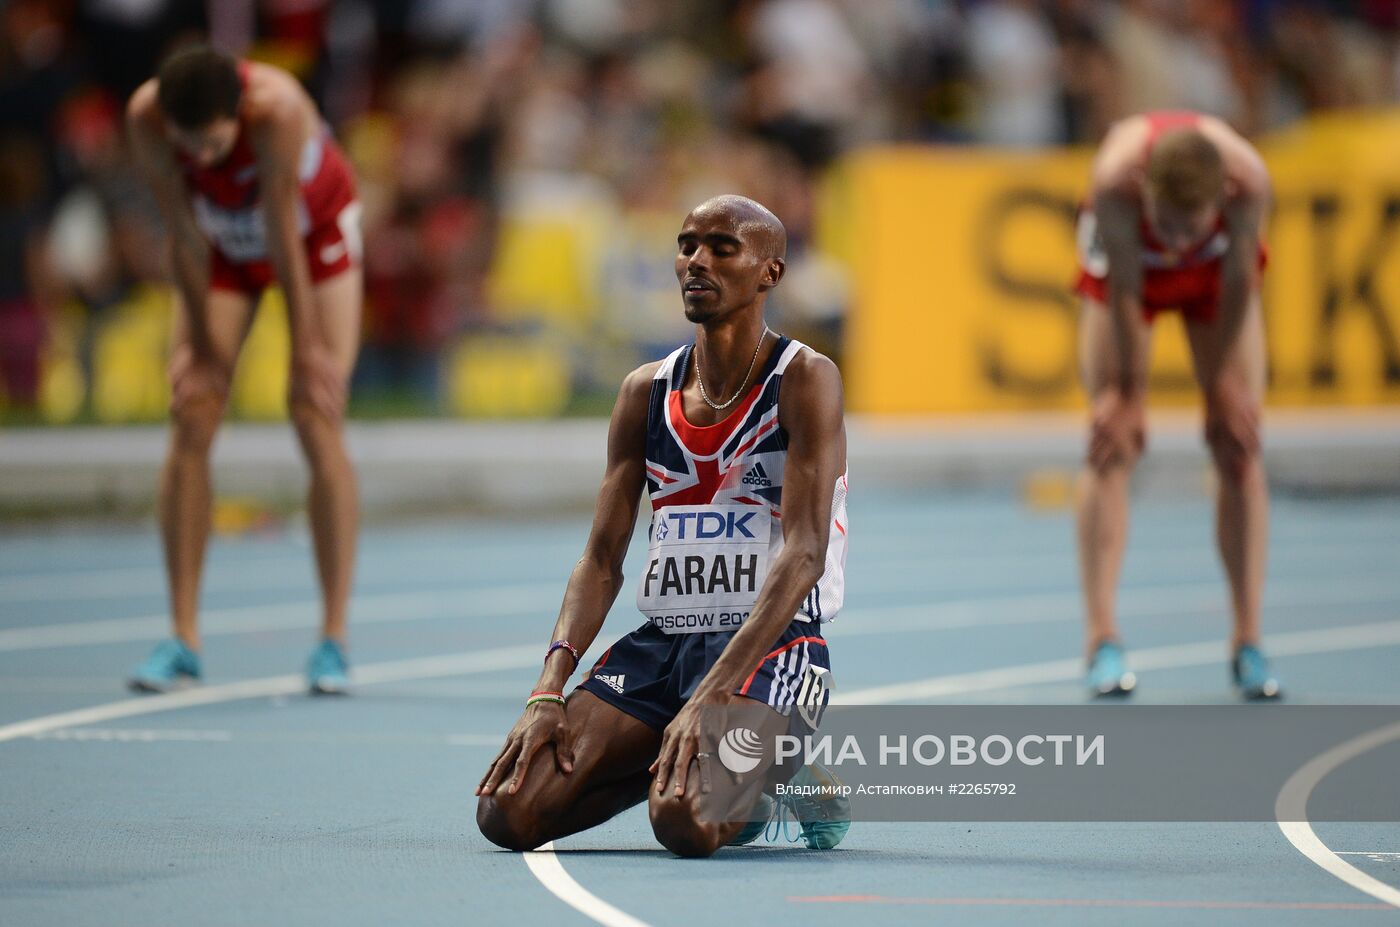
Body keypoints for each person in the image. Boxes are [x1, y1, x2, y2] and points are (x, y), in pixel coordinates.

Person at [476, 195, 850, 857]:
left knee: (682, 822)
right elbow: (600, 558)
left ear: (770, 273)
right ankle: (688, 752)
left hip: (772, 650)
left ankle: (780, 774)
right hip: (663, 649)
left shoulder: (804, 380)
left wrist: (716, 688)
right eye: (686, 245)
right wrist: (548, 689)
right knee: (506, 812)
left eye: (721, 247)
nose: (696, 260)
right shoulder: (644, 392)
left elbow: (804, 554)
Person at [125, 45, 361, 695]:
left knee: (314, 410)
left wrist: (307, 345)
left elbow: (283, 227)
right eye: (188, 146)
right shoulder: (146, 117)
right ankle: (182, 635)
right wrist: (201, 346)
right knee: (193, 408)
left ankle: (332, 637)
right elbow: (181, 231)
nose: (201, 157)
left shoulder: (277, 110)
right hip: (224, 242)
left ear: (238, 114)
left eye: (212, 144)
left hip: (311, 237)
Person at [1074, 110, 1280, 700]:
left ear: (1226, 197)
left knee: (1238, 441)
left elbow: (1240, 277)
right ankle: (1102, 639)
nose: (1178, 244)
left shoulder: (1250, 182)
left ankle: (1248, 641)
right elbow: (1127, 289)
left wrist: (1222, 388)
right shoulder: (1116, 179)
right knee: (1112, 438)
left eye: (1192, 230)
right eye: (1167, 226)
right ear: (1146, 193)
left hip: (1216, 279)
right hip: (1127, 275)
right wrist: (1131, 396)